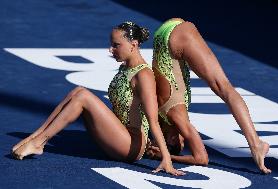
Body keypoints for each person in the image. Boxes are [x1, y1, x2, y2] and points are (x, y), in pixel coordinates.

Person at [11, 21, 185, 176]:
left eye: (116, 45)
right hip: (120, 133)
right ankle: (36, 137)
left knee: (83, 96)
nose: (110, 49)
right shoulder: (125, 68)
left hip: (130, 145)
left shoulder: (144, 75)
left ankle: (40, 143)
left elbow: (152, 120)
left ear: (133, 45)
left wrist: (167, 160)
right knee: (78, 91)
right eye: (111, 44)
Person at [146, 18, 271, 174]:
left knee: (224, 87)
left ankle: (255, 144)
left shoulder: (176, 117)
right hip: (163, 36)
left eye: (183, 142)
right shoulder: (153, 113)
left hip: (177, 37)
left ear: (171, 139)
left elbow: (201, 158)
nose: (186, 139)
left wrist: (167, 157)